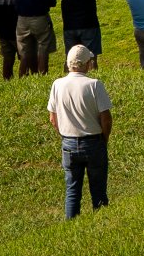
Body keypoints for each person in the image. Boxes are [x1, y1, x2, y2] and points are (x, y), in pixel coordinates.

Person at [47, 45, 112, 220]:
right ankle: (102, 224)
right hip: (93, 142)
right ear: (87, 64)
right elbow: (106, 118)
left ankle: (71, 226)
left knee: (72, 191)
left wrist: (64, 134)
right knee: (98, 190)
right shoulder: (94, 85)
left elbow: (53, 118)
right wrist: (104, 139)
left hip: (68, 143)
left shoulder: (57, 84)